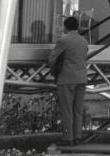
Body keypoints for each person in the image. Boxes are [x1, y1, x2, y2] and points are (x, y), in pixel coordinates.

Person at [49, 16, 89, 146]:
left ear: (66, 27)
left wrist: (54, 74)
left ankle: (68, 138)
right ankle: (78, 137)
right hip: (82, 79)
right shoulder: (84, 41)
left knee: (67, 110)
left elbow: (53, 59)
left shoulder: (63, 40)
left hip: (67, 79)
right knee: (78, 109)